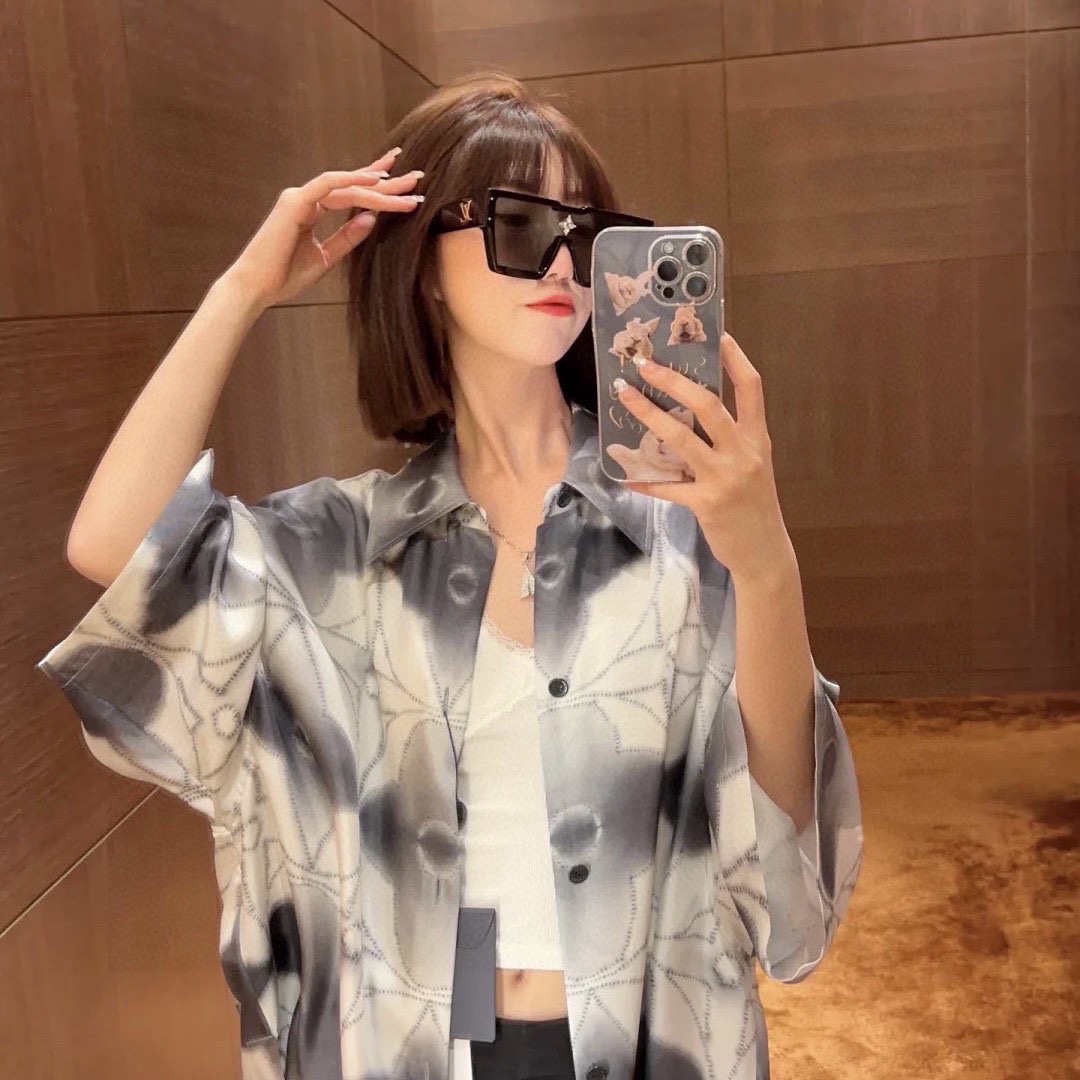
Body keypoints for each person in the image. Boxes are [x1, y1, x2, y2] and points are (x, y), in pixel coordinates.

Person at [36, 70, 864, 1080]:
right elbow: (114, 547)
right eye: (521, 223)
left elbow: (782, 823)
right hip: (414, 1047)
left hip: (654, 1044)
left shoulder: (685, 522)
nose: (560, 260)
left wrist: (765, 563)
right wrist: (243, 290)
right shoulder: (343, 551)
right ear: (423, 262)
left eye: (585, 234)